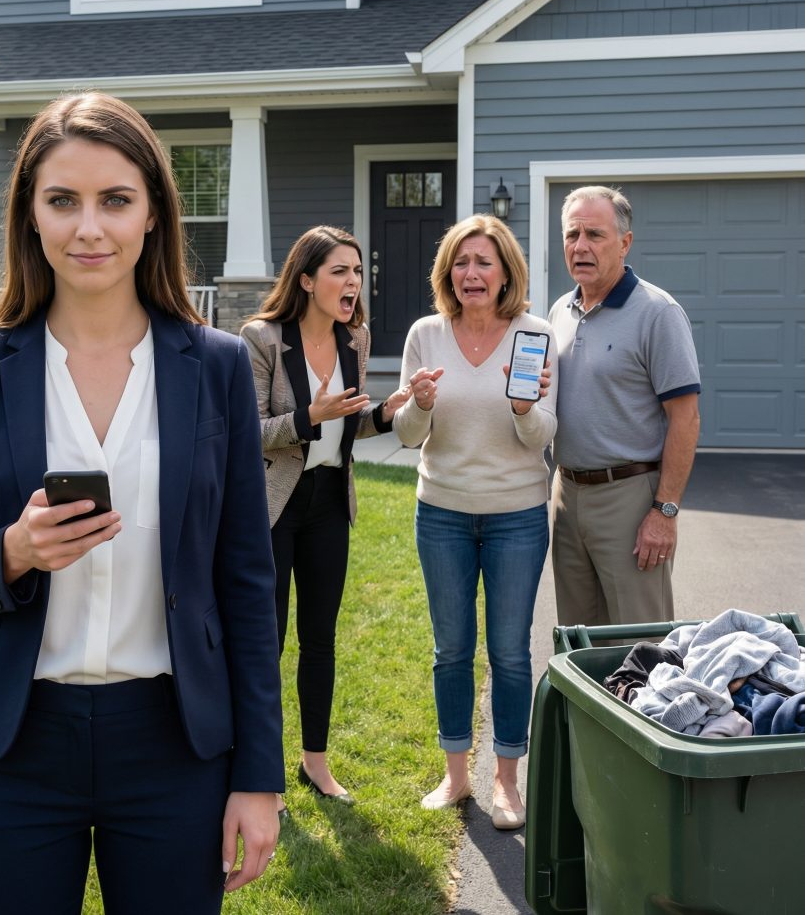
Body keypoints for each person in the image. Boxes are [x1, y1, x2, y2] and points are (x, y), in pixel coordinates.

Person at [0, 92, 283, 915]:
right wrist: (11, 552)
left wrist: (259, 775)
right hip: (13, 749)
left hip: (172, 747)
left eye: (115, 200)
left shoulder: (216, 365)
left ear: (153, 213)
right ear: (30, 216)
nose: (90, 227)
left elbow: (248, 588)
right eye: (62, 200)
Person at [393, 215, 556, 830]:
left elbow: (547, 434)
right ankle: (457, 776)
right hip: (442, 515)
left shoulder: (534, 335)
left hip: (517, 515)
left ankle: (506, 781)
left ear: (506, 270)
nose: (471, 274)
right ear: (447, 274)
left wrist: (524, 409)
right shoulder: (425, 335)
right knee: (451, 649)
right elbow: (409, 437)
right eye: (461, 263)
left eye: (484, 262)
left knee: (511, 652)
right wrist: (420, 404)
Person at [240, 226, 410, 808]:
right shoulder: (261, 339)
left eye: (358, 272)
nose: (353, 283)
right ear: (307, 279)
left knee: (320, 640)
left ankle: (315, 762)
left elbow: (351, 421)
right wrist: (310, 415)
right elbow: (246, 434)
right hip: (273, 506)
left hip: (329, 502)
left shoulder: (353, 338)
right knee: (267, 641)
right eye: (340, 271)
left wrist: (390, 410)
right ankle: (262, 773)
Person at [549, 185, 700, 628]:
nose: (580, 247)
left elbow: (686, 418)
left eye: (594, 235)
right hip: (566, 495)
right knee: (578, 638)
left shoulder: (658, 313)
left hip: (631, 499)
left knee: (639, 642)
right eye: (572, 235)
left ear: (625, 243)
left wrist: (664, 511)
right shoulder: (559, 311)